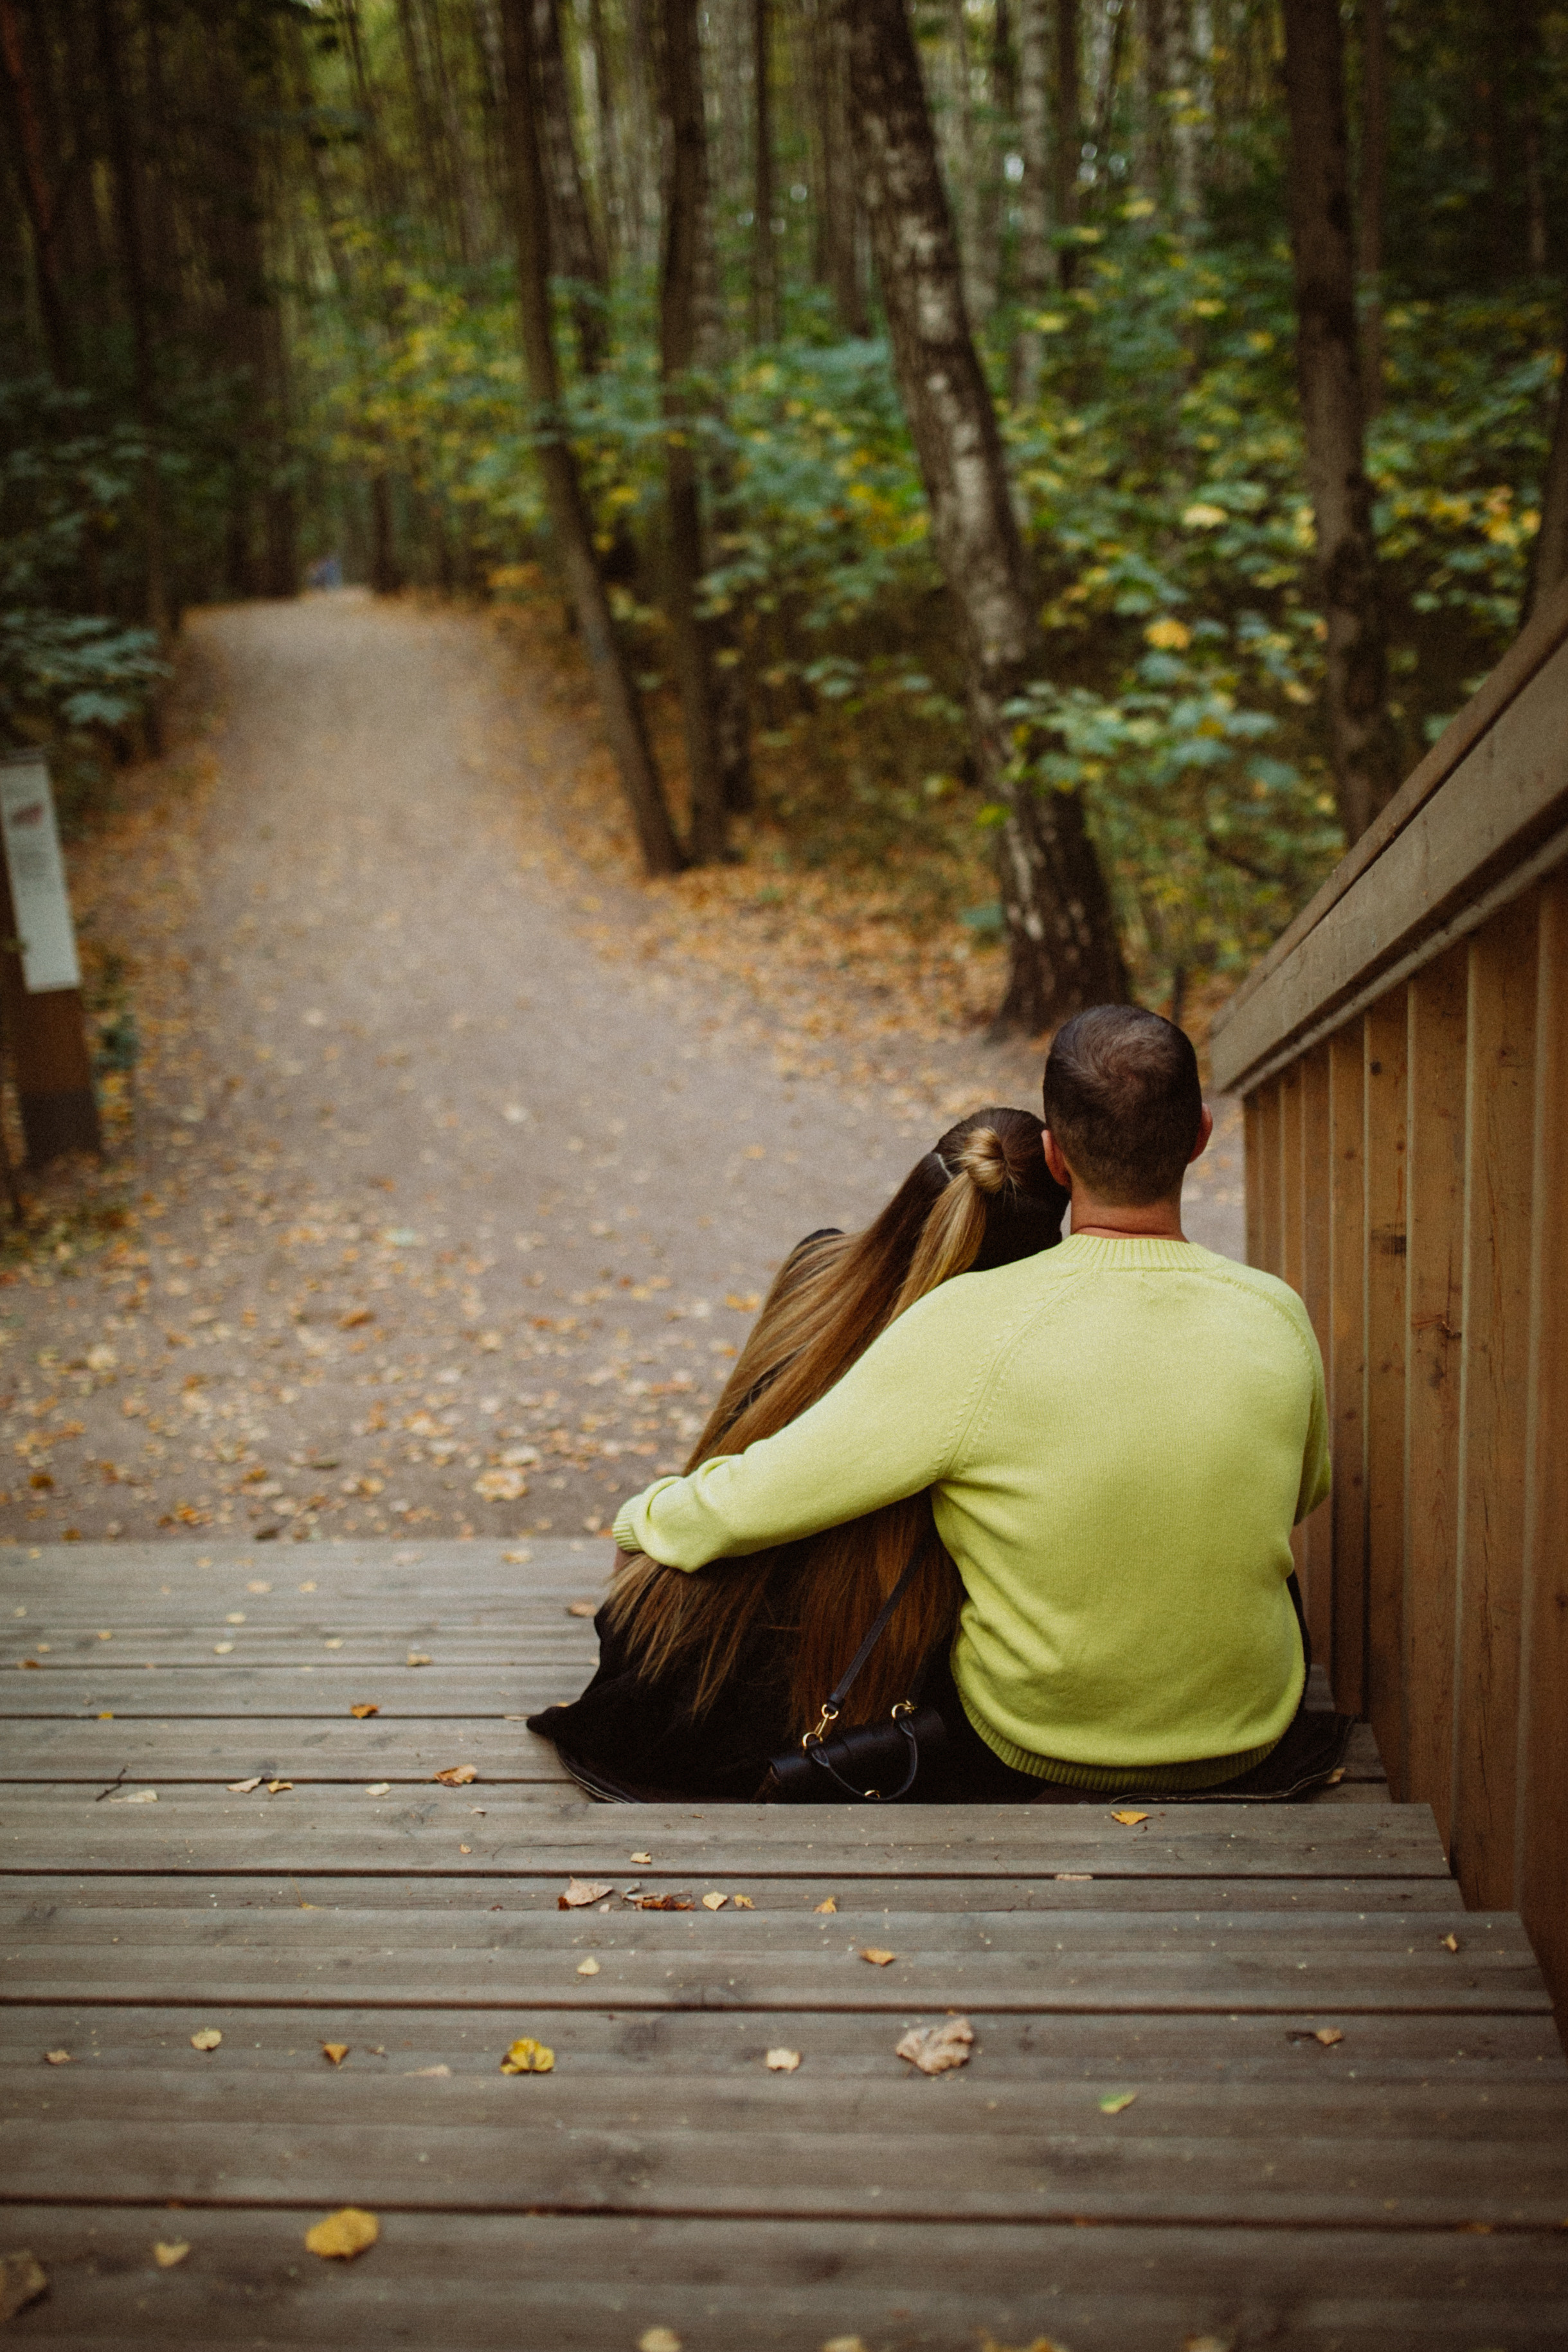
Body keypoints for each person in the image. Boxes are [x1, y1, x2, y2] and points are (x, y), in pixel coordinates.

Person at [589, 1005, 1337, 1803]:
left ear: (1054, 1155)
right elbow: (1303, 1489)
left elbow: (760, 1500)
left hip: (1029, 1738)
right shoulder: (1276, 1313)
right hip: (1251, 1732)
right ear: (1200, 1135)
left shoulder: (971, 1322)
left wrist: (644, 1517)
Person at [527, 1107, 1070, 1798]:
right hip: (835, 1688)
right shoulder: (995, 1361)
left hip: (680, 1642)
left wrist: (648, 1521)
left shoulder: (816, 1262)